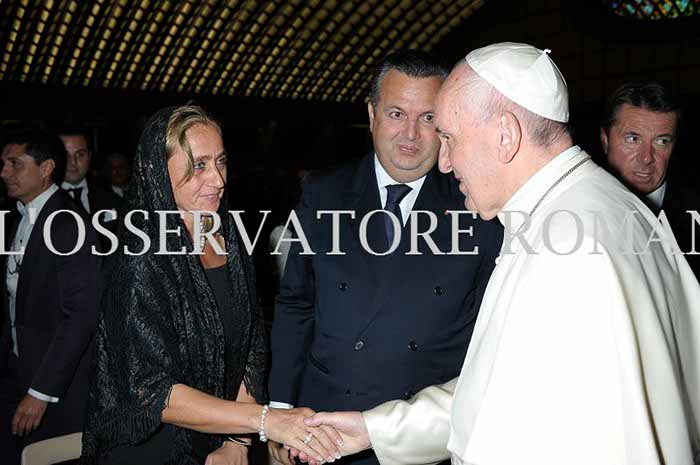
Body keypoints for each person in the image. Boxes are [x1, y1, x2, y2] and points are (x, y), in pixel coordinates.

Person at [300, 43, 700, 465]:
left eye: (450, 138)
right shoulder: (595, 208)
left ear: (505, 135)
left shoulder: (567, 252)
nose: (445, 163)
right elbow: (502, 390)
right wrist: (373, 430)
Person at [268, 50, 502, 465]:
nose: (410, 134)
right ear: (372, 113)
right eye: (396, 113)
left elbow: (491, 337)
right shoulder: (323, 193)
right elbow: (296, 305)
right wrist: (281, 411)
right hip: (321, 431)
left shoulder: (479, 207)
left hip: (419, 444)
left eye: (428, 118)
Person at [80, 105, 342, 465]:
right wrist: (264, 421)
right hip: (149, 449)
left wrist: (237, 441)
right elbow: (154, 392)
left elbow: (248, 347)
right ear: (159, 169)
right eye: (199, 165)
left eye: (221, 161)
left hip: (218, 441)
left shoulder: (226, 236)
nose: (218, 179)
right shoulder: (137, 255)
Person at [0, 129, 100, 465]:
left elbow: (82, 315)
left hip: (56, 388)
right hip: (18, 373)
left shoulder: (67, 223)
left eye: (14, 163)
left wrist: (40, 393)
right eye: (3, 163)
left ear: (46, 169)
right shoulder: (20, 216)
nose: (4, 172)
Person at [600, 80, 700, 277]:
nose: (646, 157)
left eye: (661, 141)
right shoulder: (580, 208)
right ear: (605, 141)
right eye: (633, 139)